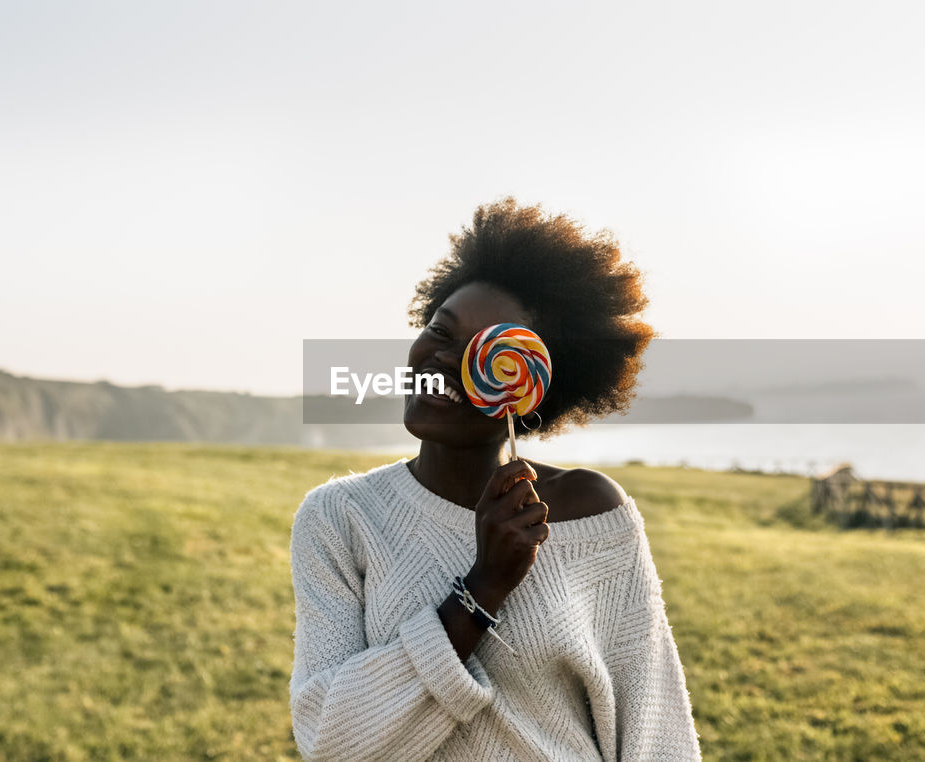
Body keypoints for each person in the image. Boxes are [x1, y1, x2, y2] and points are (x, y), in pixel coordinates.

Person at [289, 199, 700, 760]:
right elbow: (329, 741)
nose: (445, 361)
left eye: (489, 350)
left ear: (532, 388)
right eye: (441, 329)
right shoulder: (339, 517)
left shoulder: (593, 511)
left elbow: (655, 730)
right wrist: (484, 587)